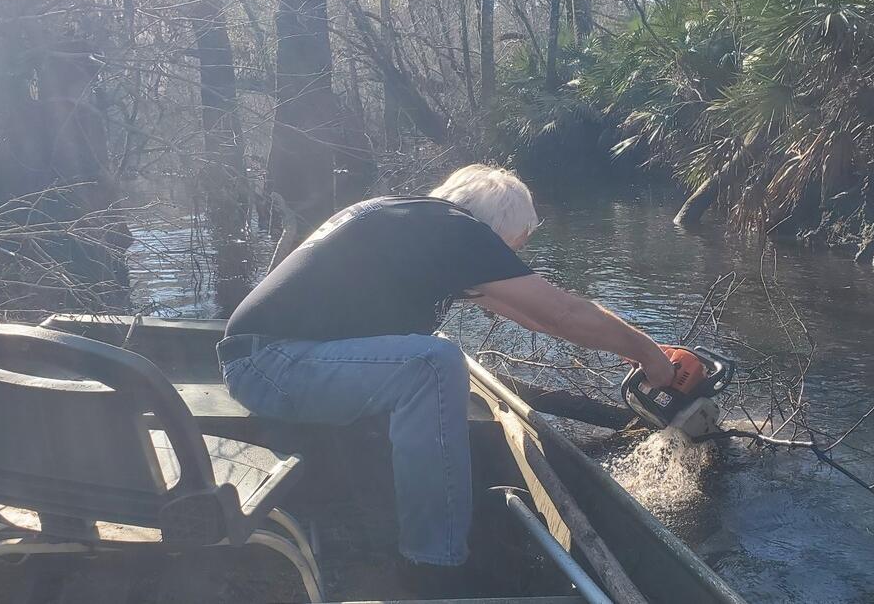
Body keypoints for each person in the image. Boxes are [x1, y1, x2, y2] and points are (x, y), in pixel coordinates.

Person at [217, 164, 675, 572]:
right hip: (270, 365)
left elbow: (536, 316)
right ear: (497, 226)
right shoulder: (454, 230)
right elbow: (563, 313)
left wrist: (631, 348)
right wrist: (652, 356)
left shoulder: (417, 222)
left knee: (431, 353)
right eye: (518, 243)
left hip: (272, 360)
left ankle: (412, 519)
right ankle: (435, 557)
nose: (516, 255)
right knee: (434, 364)